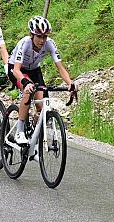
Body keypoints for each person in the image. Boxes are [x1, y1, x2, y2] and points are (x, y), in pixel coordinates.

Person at [7, 16, 77, 145]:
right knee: (28, 92)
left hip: (34, 70)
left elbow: (60, 67)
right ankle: (19, 131)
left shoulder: (50, 43)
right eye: (39, 36)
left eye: (44, 37)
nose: (42, 40)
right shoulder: (25, 43)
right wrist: (25, 82)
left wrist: (69, 83)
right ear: (32, 35)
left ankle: (34, 133)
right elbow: (16, 70)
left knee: (42, 105)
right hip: (16, 69)